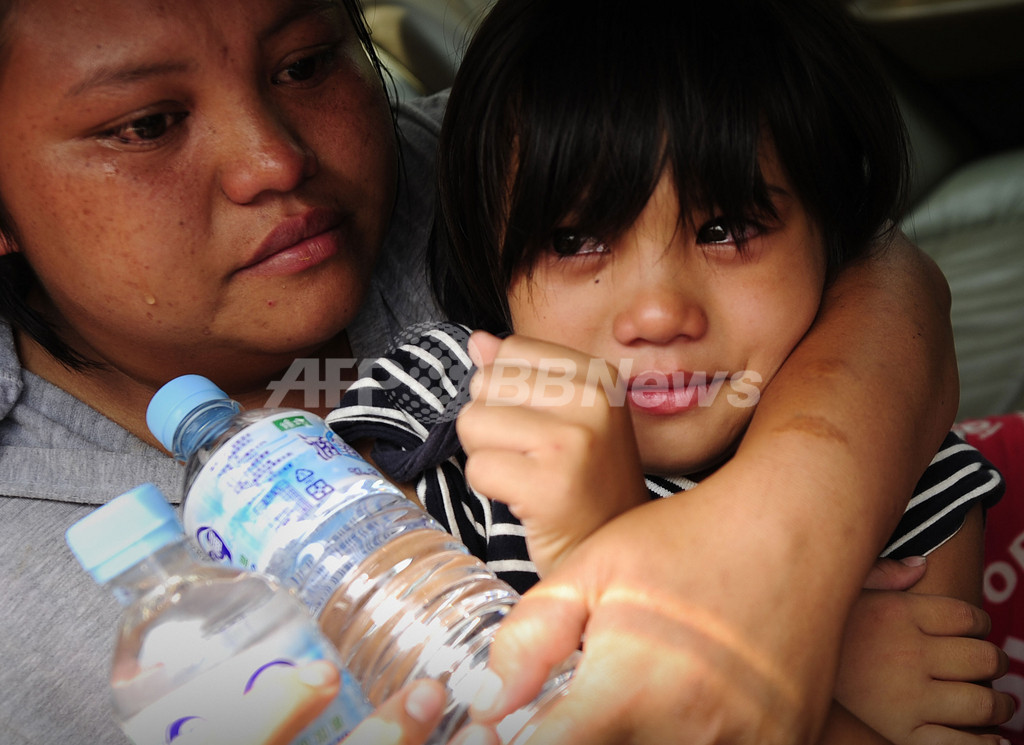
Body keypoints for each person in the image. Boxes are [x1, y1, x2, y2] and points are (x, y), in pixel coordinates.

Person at [0, 0, 984, 743]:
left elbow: (874, 260)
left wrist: (780, 566)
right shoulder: (407, 422)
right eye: (144, 124)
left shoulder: (456, 153)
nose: (274, 160)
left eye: (305, 63)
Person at [327, 0, 1015, 742]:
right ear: (491, 263)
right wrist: (824, 664)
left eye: (725, 230)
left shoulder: (908, 478)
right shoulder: (434, 408)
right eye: (576, 240)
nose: (657, 313)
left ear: (834, 236)